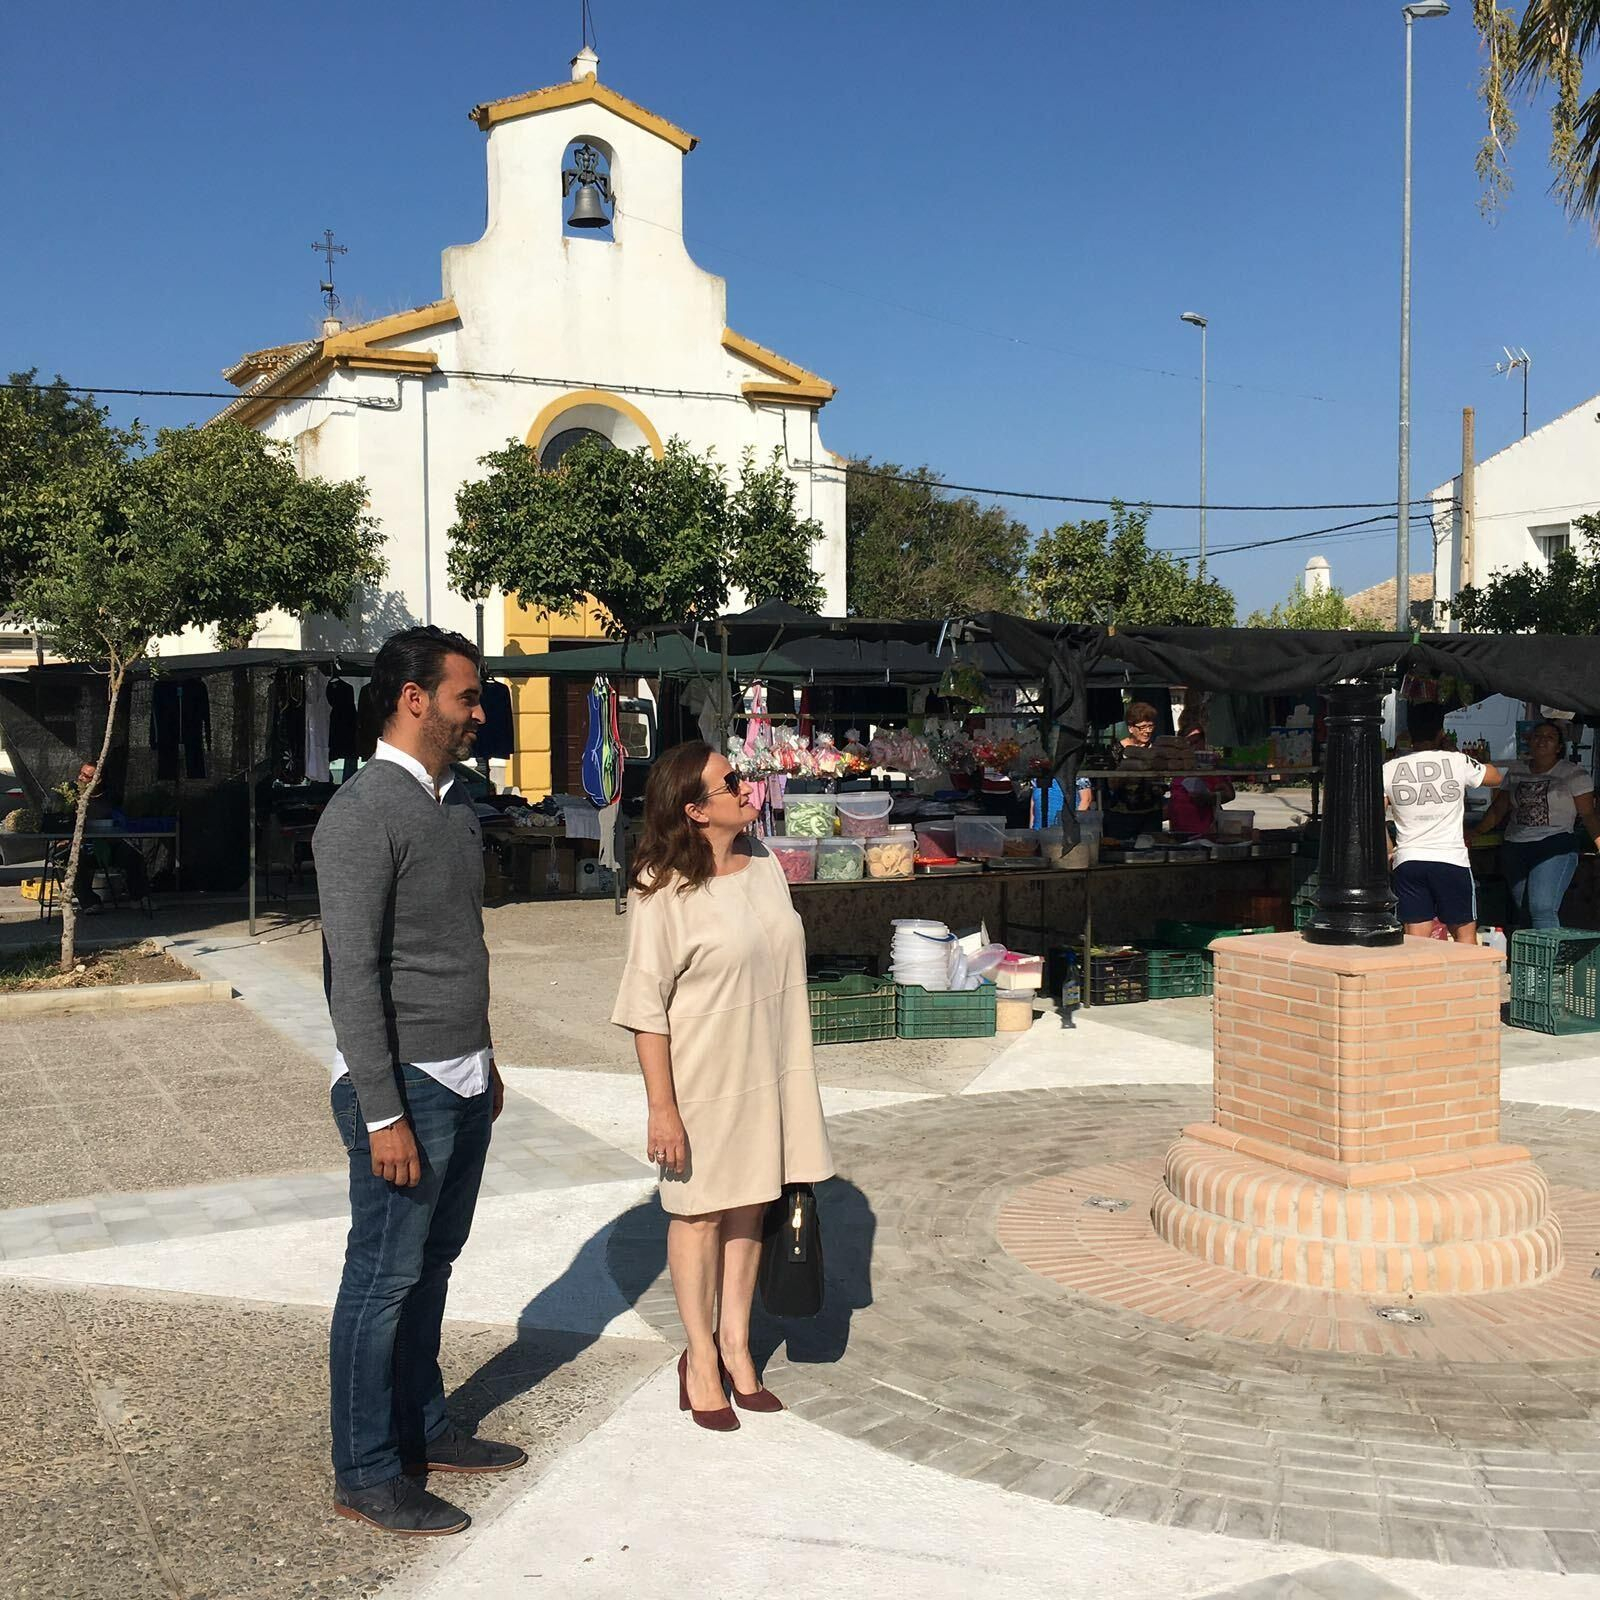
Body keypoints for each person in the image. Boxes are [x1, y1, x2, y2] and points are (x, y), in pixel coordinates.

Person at [314, 626, 524, 1538]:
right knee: (382, 1279)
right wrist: (382, 1110)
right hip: (402, 1086)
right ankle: (365, 1470)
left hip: (460, 1074)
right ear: (413, 698)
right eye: (466, 697)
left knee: (431, 1265)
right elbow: (350, 974)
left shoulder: (454, 804)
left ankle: (424, 1427)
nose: (479, 713)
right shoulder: (362, 813)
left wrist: (485, 1058)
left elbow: (454, 950)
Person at [611, 741, 833, 1430]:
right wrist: (662, 1109)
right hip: (703, 1078)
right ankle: (699, 1356)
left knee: (751, 1203)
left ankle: (738, 1344)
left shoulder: (764, 865)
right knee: (699, 1212)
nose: (746, 787)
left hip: (772, 1066)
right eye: (729, 781)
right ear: (694, 809)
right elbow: (646, 1008)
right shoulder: (659, 890)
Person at [1383, 702, 1502, 944]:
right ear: (1441, 732)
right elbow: (1495, 776)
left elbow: (1374, 819)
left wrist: (1390, 851)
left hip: (1409, 859)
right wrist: (1453, 749)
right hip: (1451, 860)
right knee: (1464, 934)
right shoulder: (1457, 762)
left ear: (1407, 736)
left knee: (1416, 938)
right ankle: (1465, 981)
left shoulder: (1388, 769)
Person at [1472, 719, 1600, 930]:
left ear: (1559, 747)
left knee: (1542, 908)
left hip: (1554, 845)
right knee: (1523, 908)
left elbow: (1588, 814)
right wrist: (1475, 832)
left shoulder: (1573, 774)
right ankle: (1528, 959)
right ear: (1529, 742)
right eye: (1538, 736)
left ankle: (1547, 961)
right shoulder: (1516, 772)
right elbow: (1498, 809)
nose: (1542, 741)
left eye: (1550, 738)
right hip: (1516, 847)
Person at [69, 761, 150, 911]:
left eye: (86, 776)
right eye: (80, 773)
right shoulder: (70, 795)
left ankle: (139, 897)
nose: (80, 778)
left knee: (134, 856)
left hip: (110, 845)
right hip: (81, 846)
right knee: (69, 859)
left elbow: (119, 822)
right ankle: (90, 902)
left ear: (97, 780)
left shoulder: (110, 798)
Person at [1103, 700, 1167, 843]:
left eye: (1150, 726)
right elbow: (1111, 784)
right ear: (1131, 728)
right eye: (1143, 727)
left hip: (1151, 815)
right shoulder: (1116, 750)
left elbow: (1161, 780)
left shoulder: (1156, 750)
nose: (1148, 731)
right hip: (1122, 816)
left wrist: (1157, 786)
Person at [1167, 715, 1236, 840]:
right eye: (1189, 743)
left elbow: (1229, 794)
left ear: (1203, 741)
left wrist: (1208, 798)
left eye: (1196, 741)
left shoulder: (1212, 762)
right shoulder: (1179, 764)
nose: (1194, 746)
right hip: (1178, 831)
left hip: (1205, 831)